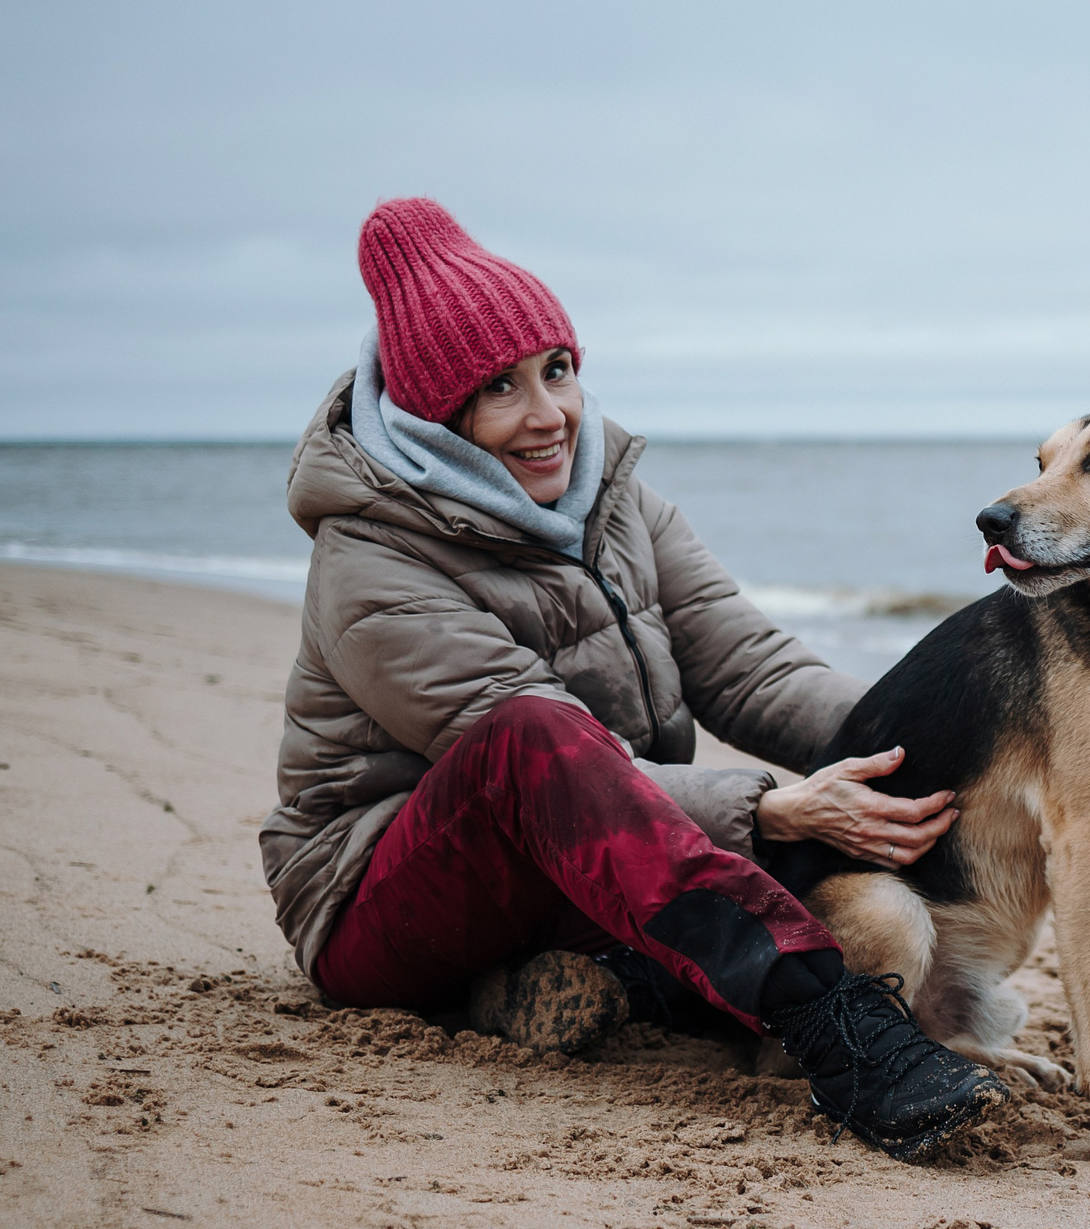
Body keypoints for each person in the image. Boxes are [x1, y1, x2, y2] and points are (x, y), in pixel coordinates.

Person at [258, 197, 1006, 1160]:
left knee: (836, 842)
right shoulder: (372, 561)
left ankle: (584, 986)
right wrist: (774, 807)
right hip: (383, 907)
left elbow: (747, 665)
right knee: (535, 732)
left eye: (557, 370)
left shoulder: (613, 497)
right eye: (501, 388)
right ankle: (834, 1026)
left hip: (601, 863)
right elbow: (569, 765)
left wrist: (938, 737)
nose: (549, 416)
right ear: (436, 418)